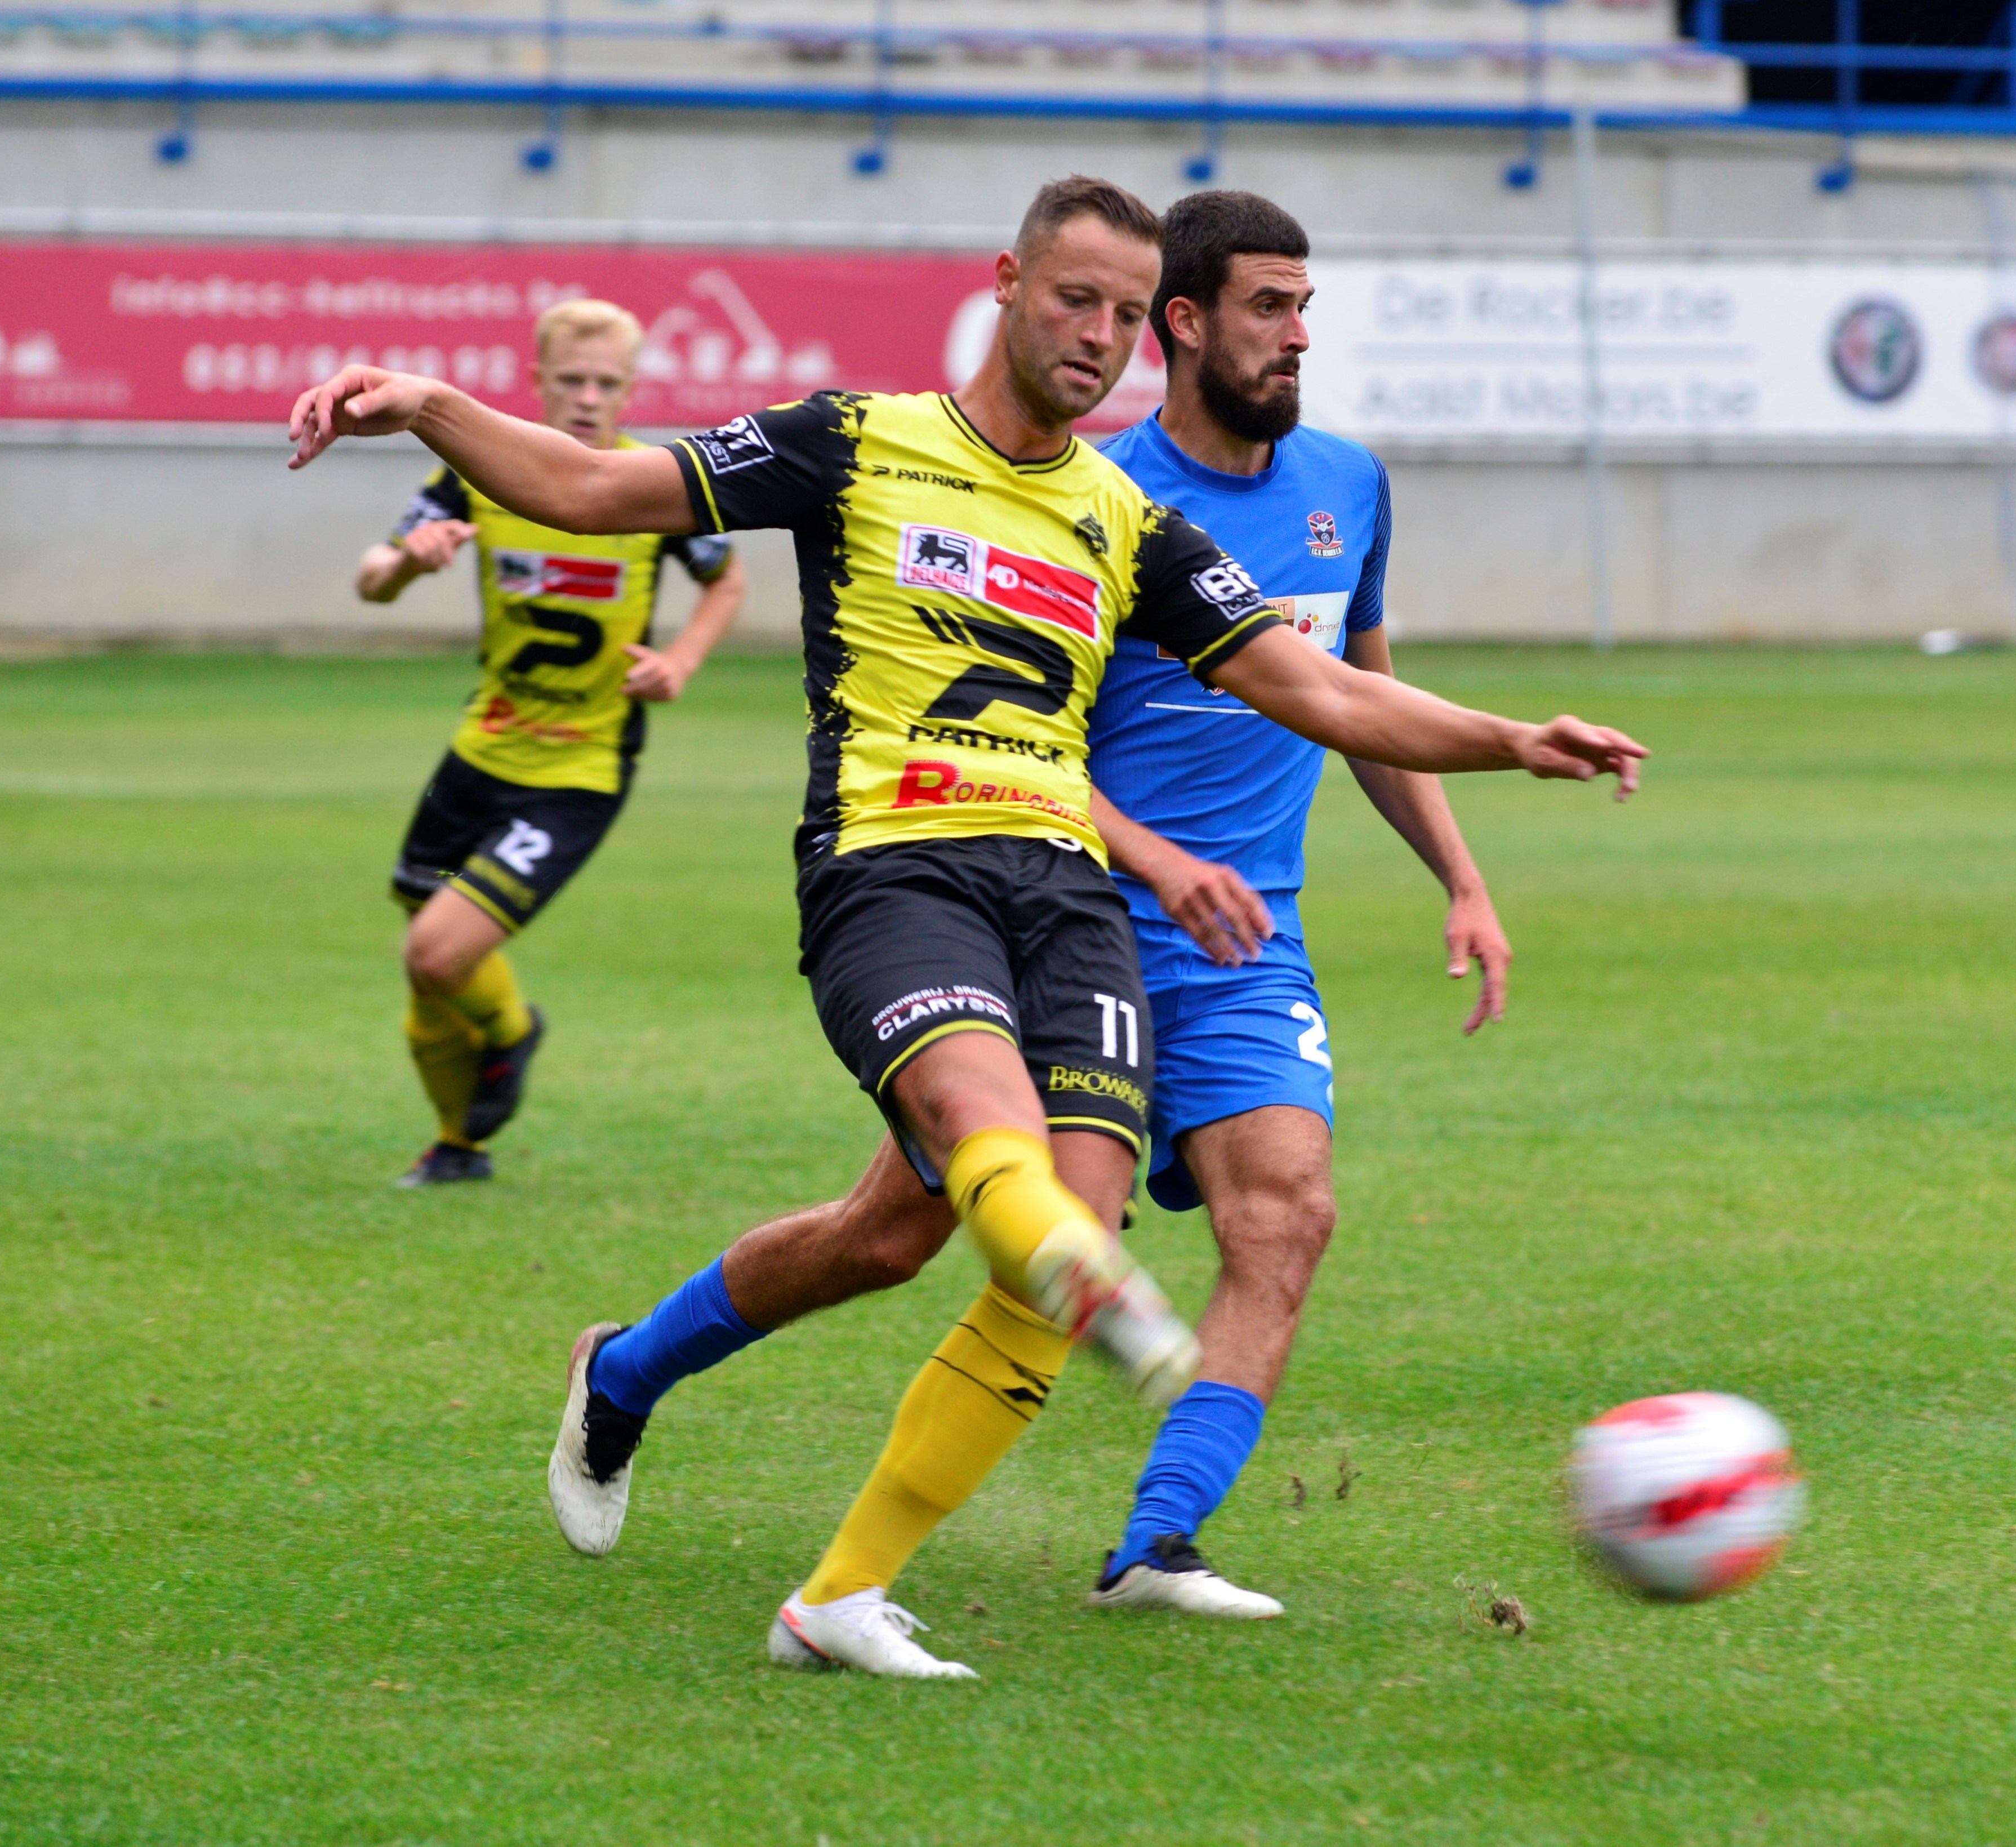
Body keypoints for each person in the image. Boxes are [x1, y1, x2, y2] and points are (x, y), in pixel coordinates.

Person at [284, 175, 1647, 1681]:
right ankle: (1059, 1296)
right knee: (1002, 1175)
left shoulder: (1128, 518)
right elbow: (597, 487)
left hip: (1065, 896)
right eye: (1077, 301)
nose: (1102, 339)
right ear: (1006, 283)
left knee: (946, 1243)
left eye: (1129, 318)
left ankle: (836, 1594)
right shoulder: (853, 440)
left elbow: (1321, 689)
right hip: (896, 867)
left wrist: (1515, 738)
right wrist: (424, 404)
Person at [1078, 189, 1506, 1620]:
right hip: (1068, 925)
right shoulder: (1093, 496)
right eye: (1269, 306)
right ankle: (629, 1366)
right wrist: (1150, 856)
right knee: (903, 1232)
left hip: (1246, 942)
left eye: (1306, 305)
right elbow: (1016, 750)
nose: (1297, 334)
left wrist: (1459, 875)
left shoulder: (1350, 481)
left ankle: (1159, 1542)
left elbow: (1356, 699)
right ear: (1183, 323)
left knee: (1287, 1215)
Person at [355, 298, 746, 1187]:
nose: (587, 397)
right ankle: (460, 1144)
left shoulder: (653, 481)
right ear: (535, 383)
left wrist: (681, 659)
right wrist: (410, 561)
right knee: (430, 965)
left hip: (579, 770)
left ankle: (512, 1033)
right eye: (570, 380)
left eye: (607, 383)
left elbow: (727, 582)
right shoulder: (480, 471)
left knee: (437, 953)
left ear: (631, 390)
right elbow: (370, 579)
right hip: (481, 748)